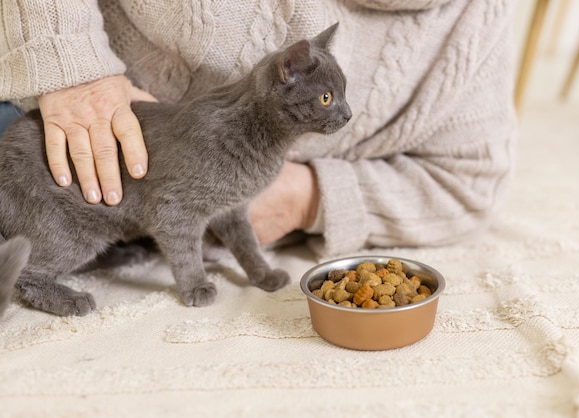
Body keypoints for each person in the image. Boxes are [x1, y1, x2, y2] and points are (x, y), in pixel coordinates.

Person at [0, 0, 517, 257]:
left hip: (154, 223)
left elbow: (468, 183)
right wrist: (63, 61)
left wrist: (307, 195)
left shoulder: (480, 23)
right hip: (44, 120)